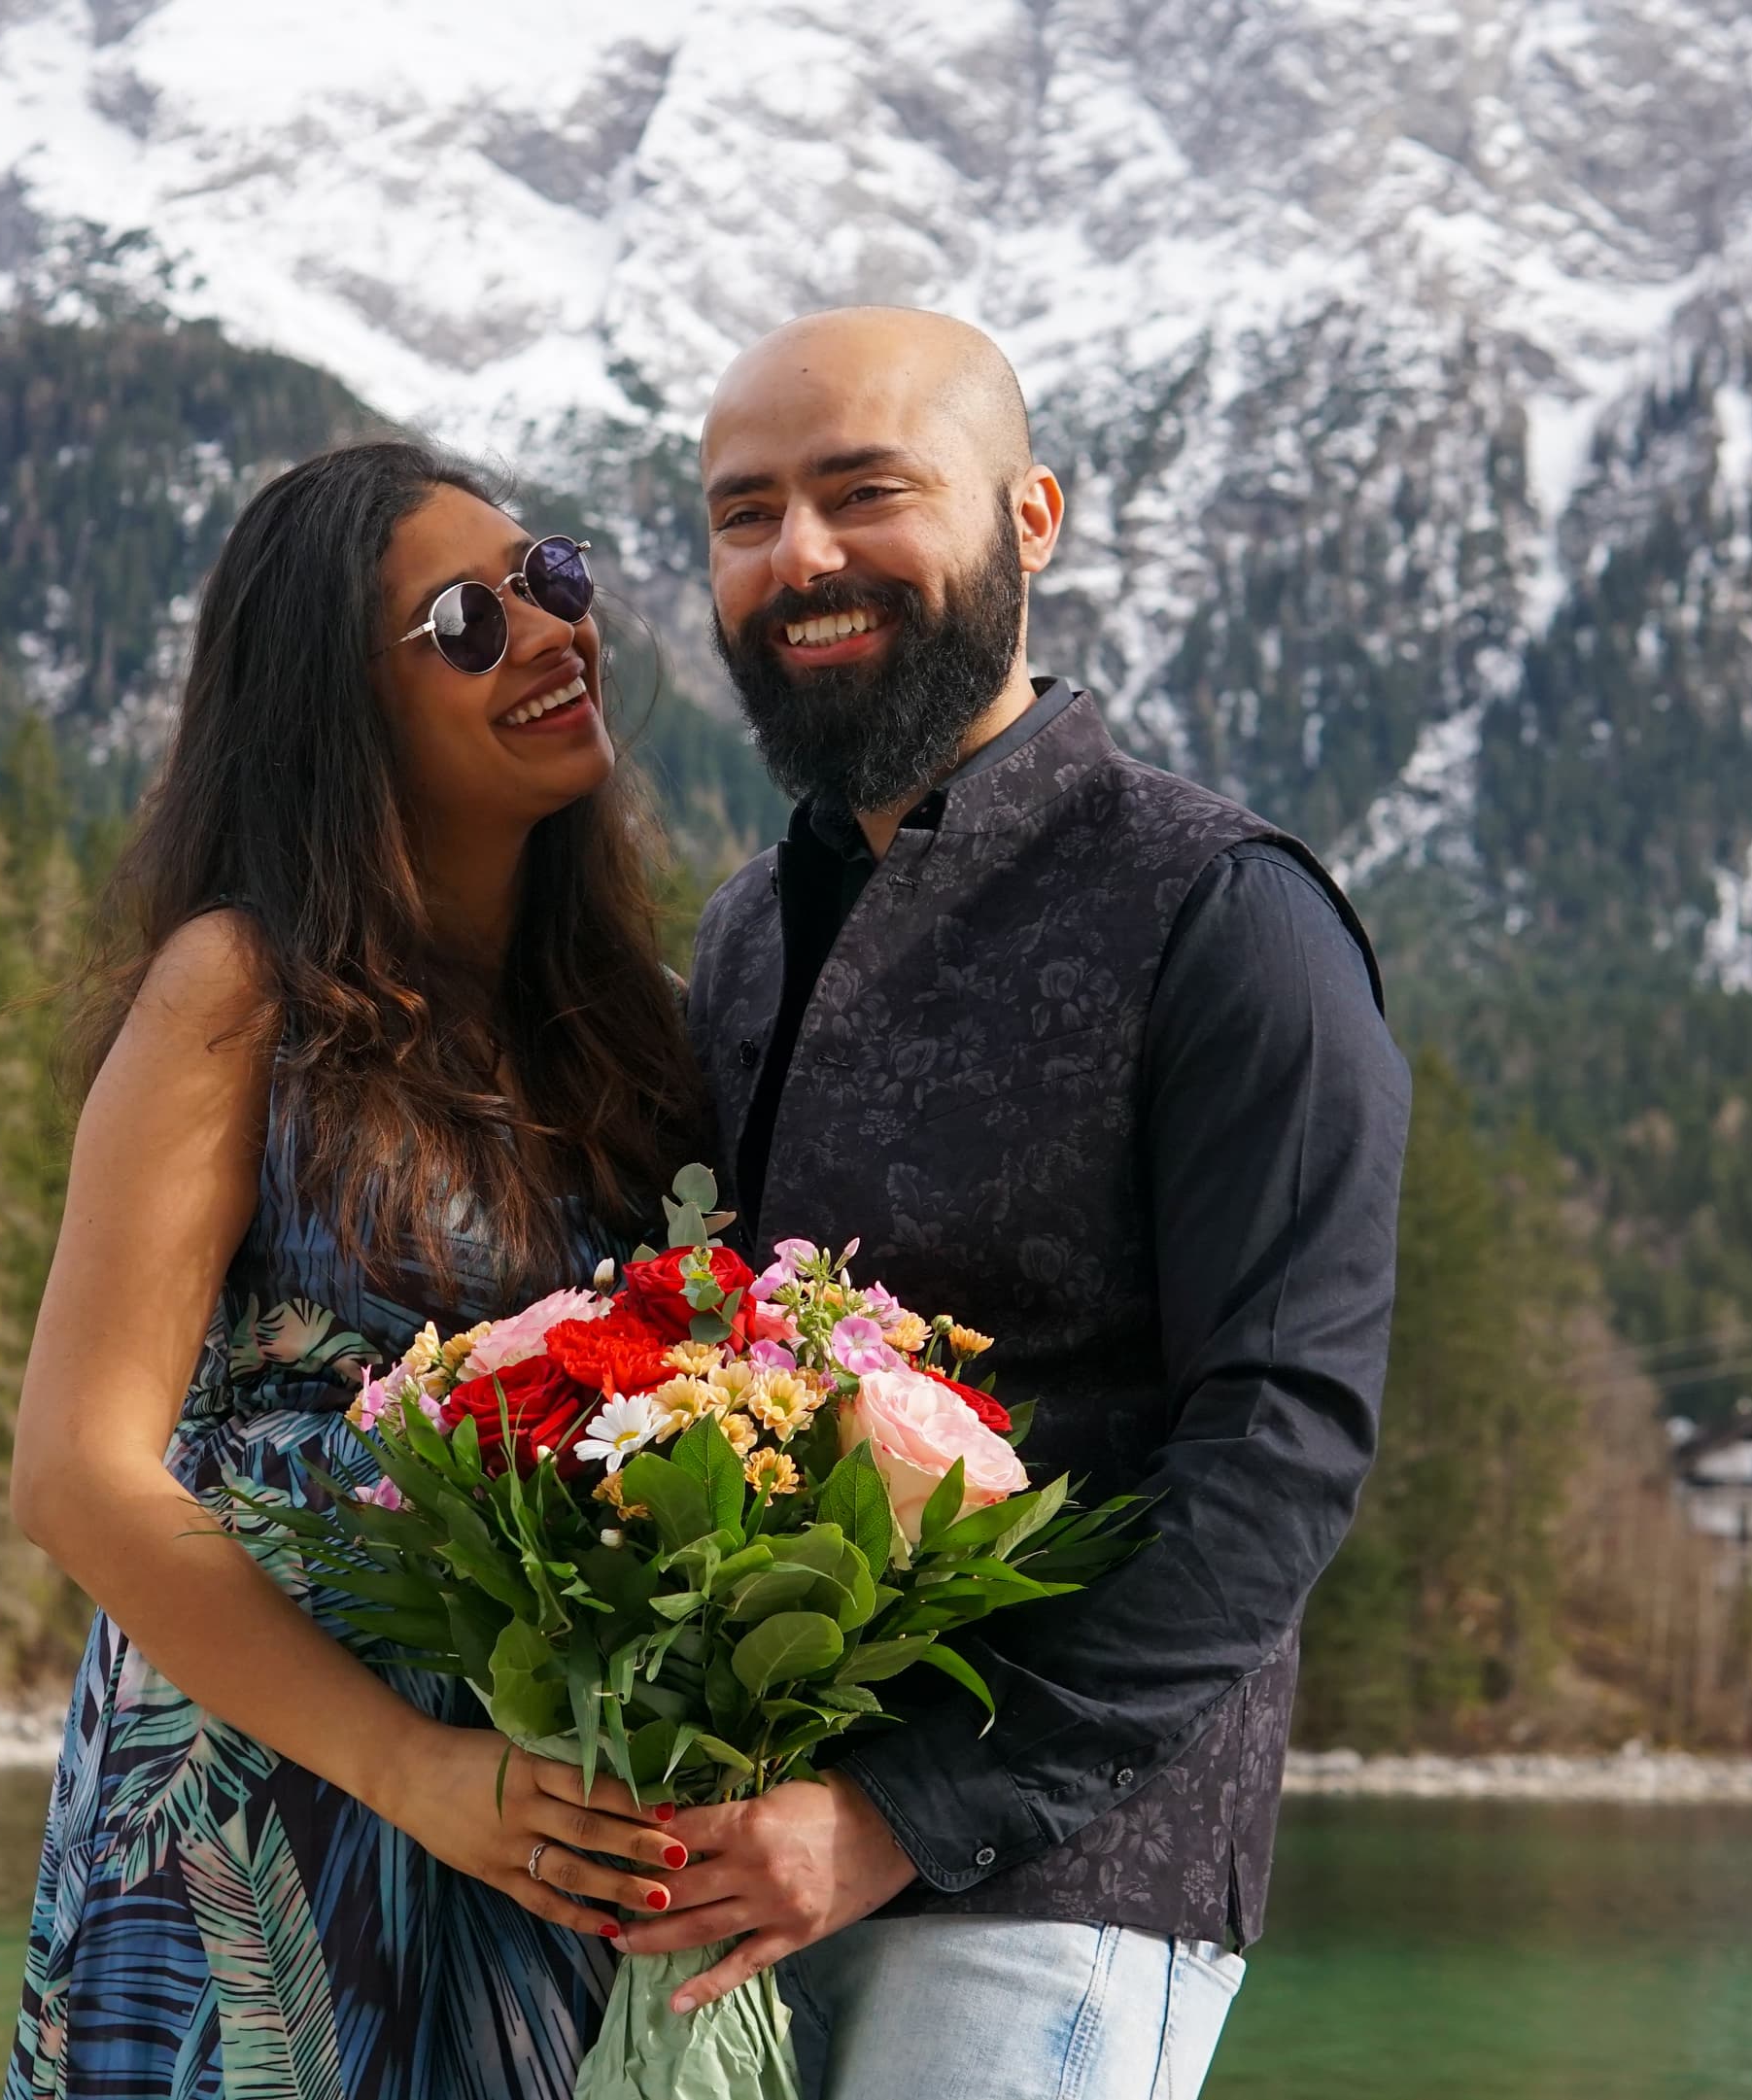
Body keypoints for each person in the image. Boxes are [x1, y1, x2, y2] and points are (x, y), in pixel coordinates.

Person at [627, 309, 1411, 2097]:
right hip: (750, 1863)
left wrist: (906, 1812)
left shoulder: (1229, 915)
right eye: (745, 515)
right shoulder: (748, 931)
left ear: (1033, 514)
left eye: (864, 490)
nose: (799, 556)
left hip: (1066, 1884)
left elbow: (1281, 1447)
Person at [1, 439, 710, 2100]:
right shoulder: (240, 989)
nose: (548, 630)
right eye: (468, 620)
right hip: (263, 1823)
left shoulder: (636, 1034)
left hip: (540, 1834)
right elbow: (76, 1472)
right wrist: (415, 1766)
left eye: (555, 578)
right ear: (336, 709)